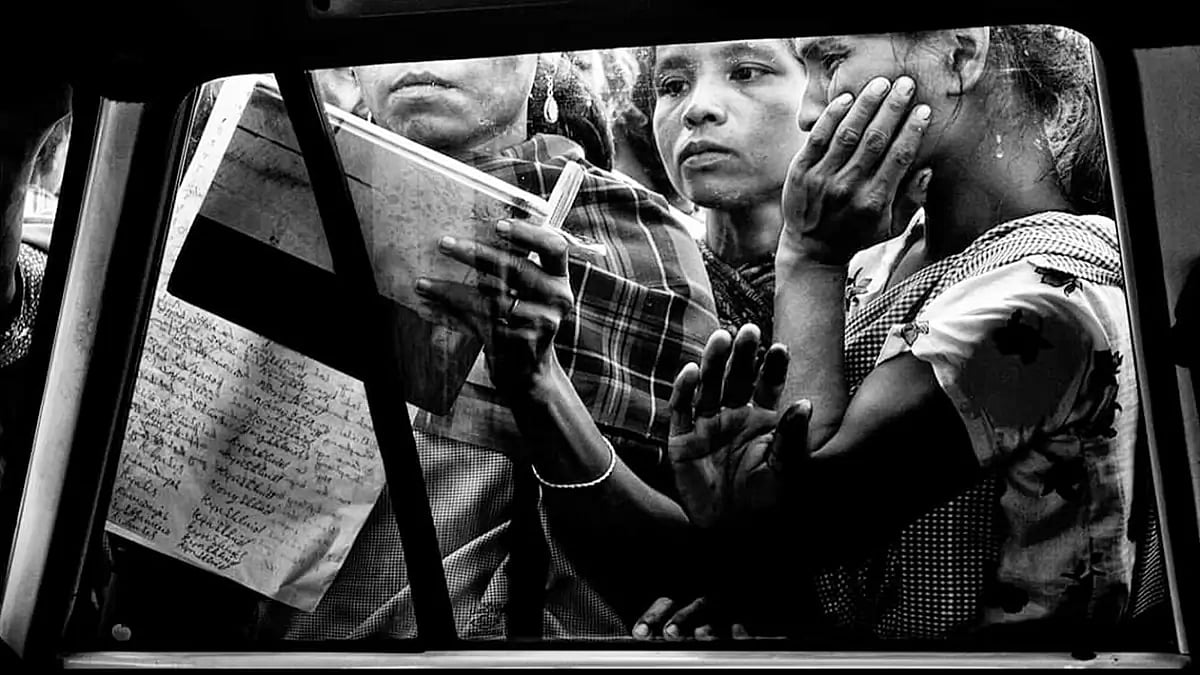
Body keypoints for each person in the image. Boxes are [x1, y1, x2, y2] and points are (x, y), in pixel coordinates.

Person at [100, 52, 718, 644]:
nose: (419, 54)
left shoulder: (639, 244)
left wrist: (540, 388)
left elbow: (679, 579)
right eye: (387, 23)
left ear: (540, 51)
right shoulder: (255, 177)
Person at [665, 25, 1137, 647]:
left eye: (832, 61)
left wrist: (807, 258)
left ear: (961, 56)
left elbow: (809, 526)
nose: (810, 113)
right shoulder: (881, 264)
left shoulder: (1052, 296)